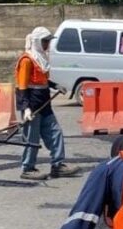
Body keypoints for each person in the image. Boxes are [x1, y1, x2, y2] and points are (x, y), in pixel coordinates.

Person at [15, 27, 80, 180]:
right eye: (45, 41)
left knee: (55, 133)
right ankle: (27, 168)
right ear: (37, 41)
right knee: (32, 138)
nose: (47, 44)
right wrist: (26, 108)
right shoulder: (27, 60)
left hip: (44, 104)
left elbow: (42, 80)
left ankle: (58, 165)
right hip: (32, 106)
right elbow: (22, 86)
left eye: (48, 41)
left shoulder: (41, 58)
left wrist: (55, 86)